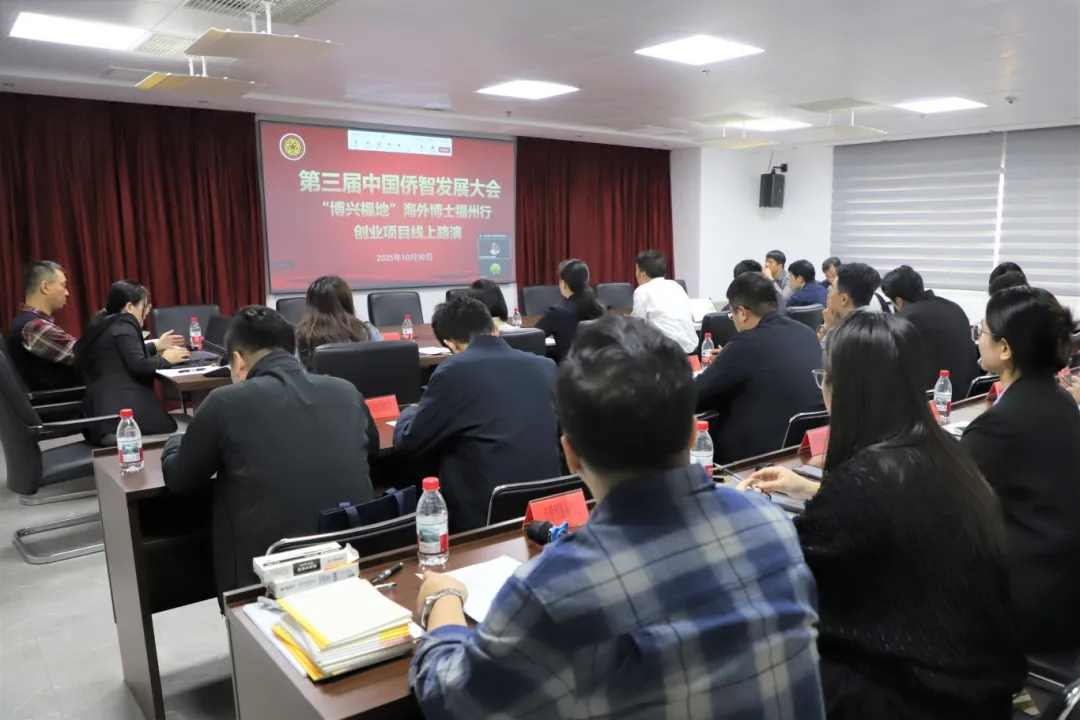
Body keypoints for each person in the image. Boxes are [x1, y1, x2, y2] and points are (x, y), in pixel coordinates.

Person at [410, 316, 826, 719]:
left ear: (570, 454)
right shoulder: (770, 524)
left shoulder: (556, 590)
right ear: (692, 434)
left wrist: (441, 600)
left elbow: (451, 700)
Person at [740, 312, 1023, 719]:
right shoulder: (945, 456)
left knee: (756, 650)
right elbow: (895, 512)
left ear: (845, 389)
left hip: (917, 700)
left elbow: (789, 575)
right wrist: (813, 489)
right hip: (982, 696)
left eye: (825, 378)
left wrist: (738, 515)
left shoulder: (865, 480)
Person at [162, 306, 378, 595]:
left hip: (268, 578)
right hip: (354, 563)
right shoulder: (346, 391)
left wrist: (174, 442)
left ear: (239, 361)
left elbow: (180, 477)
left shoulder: (224, 402)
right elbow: (372, 451)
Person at [961, 287, 1080, 652]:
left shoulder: (998, 426)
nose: (978, 339)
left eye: (982, 330)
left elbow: (938, 502)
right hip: (1064, 589)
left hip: (1028, 605)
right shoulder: (1062, 401)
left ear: (1005, 348)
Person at [394, 296, 560, 532]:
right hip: (545, 510)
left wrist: (409, 412)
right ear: (495, 329)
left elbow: (408, 442)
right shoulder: (545, 366)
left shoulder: (453, 371)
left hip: (484, 516)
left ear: (450, 343)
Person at [695, 272, 824, 463]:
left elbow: (695, 395)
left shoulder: (746, 343)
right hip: (804, 455)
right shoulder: (807, 333)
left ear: (742, 313)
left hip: (752, 462)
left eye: (732, 315)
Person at [74, 281, 190, 444]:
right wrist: (166, 360)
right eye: (144, 306)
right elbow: (139, 365)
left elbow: (120, 353)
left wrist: (157, 346)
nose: (147, 311)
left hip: (100, 417)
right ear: (129, 307)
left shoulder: (103, 322)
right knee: (188, 426)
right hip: (120, 421)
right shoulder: (125, 323)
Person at [881, 265, 979, 394]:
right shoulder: (953, 307)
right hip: (970, 392)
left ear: (899, 301)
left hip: (937, 397)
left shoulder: (904, 319)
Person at [8, 261, 82, 391]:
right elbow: (83, 356)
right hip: (62, 400)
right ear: (45, 287)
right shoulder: (33, 327)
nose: (67, 293)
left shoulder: (30, 322)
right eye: (63, 286)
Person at [295, 275, 381, 369]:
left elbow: (296, 371)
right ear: (347, 301)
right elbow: (380, 364)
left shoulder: (300, 336)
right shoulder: (368, 331)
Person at [533, 258, 604, 362]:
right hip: (598, 369)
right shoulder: (600, 309)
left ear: (563, 284)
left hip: (569, 370)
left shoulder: (557, 313)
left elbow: (533, 336)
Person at [630, 249, 697, 354]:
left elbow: (637, 324)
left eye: (636, 270)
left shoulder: (642, 291)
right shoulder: (676, 286)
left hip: (666, 354)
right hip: (691, 349)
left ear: (643, 274)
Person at [820, 262, 880, 340]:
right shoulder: (876, 323)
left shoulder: (848, 336)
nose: (829, 295)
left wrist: (827, 327)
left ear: (843, 299)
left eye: (831, 290)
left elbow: (815, 347)